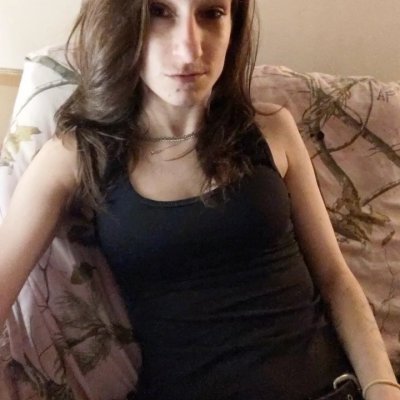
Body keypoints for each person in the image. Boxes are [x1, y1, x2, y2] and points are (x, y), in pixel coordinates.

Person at [0, 0, 400, 399]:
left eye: (211, 13)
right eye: (159, 12)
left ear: (233, 26)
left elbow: (334, 278)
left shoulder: (271, 129)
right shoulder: (77, 154)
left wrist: (382, 386)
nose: (190, 49)